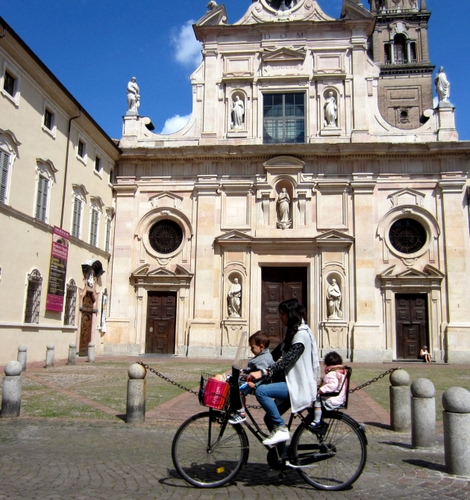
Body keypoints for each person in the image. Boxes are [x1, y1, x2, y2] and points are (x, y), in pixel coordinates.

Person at [248, 298, 320, 446]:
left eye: (283, 314)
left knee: (261, 391)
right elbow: (275, 355)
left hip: (298, 385)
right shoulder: (292, 333)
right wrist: (254, 367)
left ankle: (281, 428)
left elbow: (288, 361)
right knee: (269, 418)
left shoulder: (301, 335)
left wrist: (264, 373)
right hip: (290, 383)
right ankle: (281, 455)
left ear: (291, 314)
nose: (280, 317)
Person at [228, 331, 274, 425]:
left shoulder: (264, 359)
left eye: (252, 347)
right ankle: (235, 407)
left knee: (239, 390)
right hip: (251, 380)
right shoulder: (260, 356)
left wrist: (255, 384)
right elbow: (253, 369)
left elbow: (264, 375)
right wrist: (244, 371)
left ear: (261, 347)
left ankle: (241, 413)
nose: (251, 350)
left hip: (257, 384)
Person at [310, 351, 348, 427]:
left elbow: (332, 385)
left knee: (317, 401)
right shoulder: (340, 372)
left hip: (332, 400)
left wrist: (321, 390)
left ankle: (317, 420)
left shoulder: (332, 374)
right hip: (339, 398)